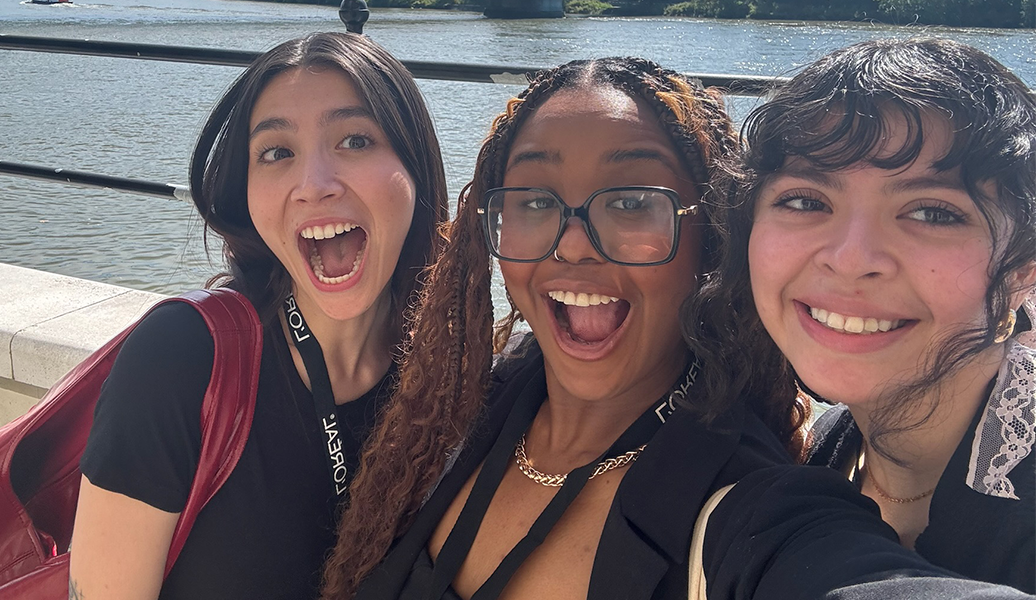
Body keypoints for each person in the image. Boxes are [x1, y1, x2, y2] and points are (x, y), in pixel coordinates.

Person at [320, 56, 809, 600]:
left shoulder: (753, 513)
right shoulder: (454, 415)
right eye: (535, 201)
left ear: (713, 235)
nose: (572, 244)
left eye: (629, 202)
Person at [67, 32, 449, 600]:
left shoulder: (447, 372)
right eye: (276, 152)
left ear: (414, 170)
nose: (314, 185)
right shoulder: (180, 358)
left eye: (354, 139)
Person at [694, 38, 1036, 592]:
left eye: (931, 212)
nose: (850, 260)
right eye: (805, 201)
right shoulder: (825, 442)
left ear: (1024, 267)